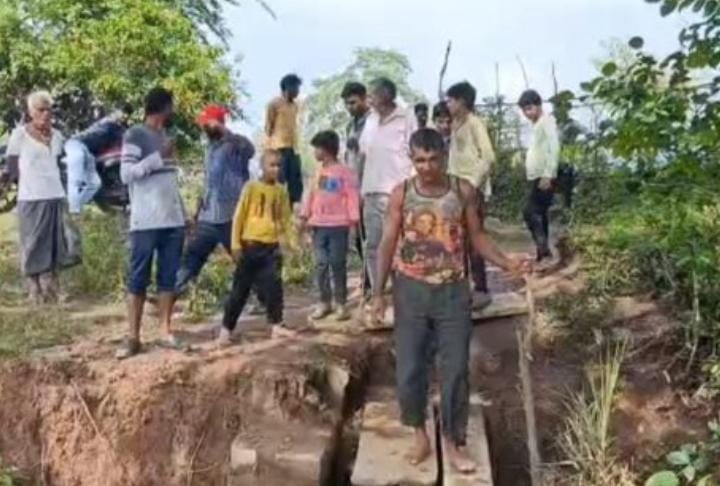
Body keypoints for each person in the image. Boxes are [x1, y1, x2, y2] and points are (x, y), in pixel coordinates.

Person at [370, 128, 527, 474]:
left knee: (455, 369)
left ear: (444, 156)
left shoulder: (462, 191)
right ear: (411, 159)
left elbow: (477, 237)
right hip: (410, 290)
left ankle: (454, 441)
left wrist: (506, 263)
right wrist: (378, 294)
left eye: (433, 159)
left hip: (453, 292)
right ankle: (419, 434)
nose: (427, 167)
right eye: (420, 160)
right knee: (410, 368)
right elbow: (387, 244)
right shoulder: (401, 194)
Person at [116, 87, 186, 359]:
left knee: (168, 277)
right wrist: (158, 157)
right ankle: (133, 337)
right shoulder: (135, 134)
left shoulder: (166, 136)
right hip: (145, 220)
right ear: (164, 107)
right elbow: (126, 174)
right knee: (138, 278)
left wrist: (183, 213)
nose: (173, 111)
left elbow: (170, 182)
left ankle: (165, 331)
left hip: (172, 220)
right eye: (171, 105)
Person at [1, 91, 77, 303]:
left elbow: (59, 165)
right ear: (31, 112)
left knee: (55, 245)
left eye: (48, 110)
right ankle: (34, 290)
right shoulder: (20, 135)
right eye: (41, 110)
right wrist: (7, 186)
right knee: (33, 243)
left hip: (55, 194)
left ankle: (52, 288)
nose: (45, 114)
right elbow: (12, 168)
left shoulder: (58, 136)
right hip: (31, 196)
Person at [218, 149, 298, 346]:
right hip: (250, 246)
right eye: (272, 165)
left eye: (279, 166)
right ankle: (226, 330)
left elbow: (285, 219)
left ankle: (277, 325)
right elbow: (239, 216)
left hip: (271, 247)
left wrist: (291, 243)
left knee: (274, 288)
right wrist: (235, 244)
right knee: (240, 290)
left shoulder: (281, 190)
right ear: (262, 166)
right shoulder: (251, 187)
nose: (275, 169)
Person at [175, 104, 255, 295]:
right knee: (192, 257)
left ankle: (266, 299)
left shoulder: (235, 145)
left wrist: (224, 130)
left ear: (217, 123)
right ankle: (171, 293)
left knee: (243, 260)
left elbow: (250, 149)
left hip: (231, 216)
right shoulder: (209, 149)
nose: (203, 127)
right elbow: (209, 183)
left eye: (207, 123)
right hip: (208, 217)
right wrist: (197, 212)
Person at [359, 77, 417, 293]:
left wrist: (411, 190)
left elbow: (416, 153)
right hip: (371, 192)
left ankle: (406, 290)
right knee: (373, 244)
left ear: (385, 95)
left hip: (397, 192)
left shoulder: (406, 117)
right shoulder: (371, 119)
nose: (369, 98)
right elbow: (365, 152)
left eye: (372, 94)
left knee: (401, 244)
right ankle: (378, 292)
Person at [300, 130, 360, 321]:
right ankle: (324, 302)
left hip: (338, 226)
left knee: (337, 263)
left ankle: (341, 303)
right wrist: (304, 215)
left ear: (326, 149)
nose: (314, 152)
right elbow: (310, 194)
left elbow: (352, 195)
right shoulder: (317, 173)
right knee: (321, 264)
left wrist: (354, 219)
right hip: (319, 226)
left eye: (316, 148)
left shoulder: (344, 172)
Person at [446, 82, 496, 307]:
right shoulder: (455, 125)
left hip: (471, 192)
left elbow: (488, 157)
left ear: (462, 101)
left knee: (474, 241)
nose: (448, 105)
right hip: (455, 191)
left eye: (450, 100)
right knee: (458, 241)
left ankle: (482, 289)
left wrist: (473, 184)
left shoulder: (475, 124)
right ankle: (463, 288)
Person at [65, 105, 133, 214]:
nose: (123, 116)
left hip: (86, 150)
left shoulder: (107, 123)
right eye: (123, 114)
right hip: (80, 148)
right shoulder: (111, 125)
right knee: (85, 181)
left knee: (95, 182)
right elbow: (127, 140)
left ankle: (106, 210)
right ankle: (75, 209)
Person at [518, 89, 560, 264]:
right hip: (537, 175)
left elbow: (554, 148)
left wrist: (548, 174)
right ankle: (542, 253)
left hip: (544, 175)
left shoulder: (546, 122)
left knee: (530, 211)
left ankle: (544, 249)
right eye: (524, 110)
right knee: (540, 213)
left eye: (529, 108)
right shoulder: (537, 125)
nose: (527, 113)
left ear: (539, 105)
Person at [341, 81, 371, 297]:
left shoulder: (374, 122)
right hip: (354, 186)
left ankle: (374, 280)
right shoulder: (350, 126)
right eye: (347, 104)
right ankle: (368, 277)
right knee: (360, 238)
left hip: (372, 186)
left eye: (353, 102)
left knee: (373, 236)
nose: (350, 107)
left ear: (364, 98)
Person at [265, 73, 303, 207]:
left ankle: (291, 210)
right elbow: (268, 127)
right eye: (296, 88)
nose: (298, 91)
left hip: (293, 148)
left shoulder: (295, 106)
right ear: (287, 87)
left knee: (295, 185)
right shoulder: (274, 104)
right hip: (278, 148)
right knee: (278, 182)